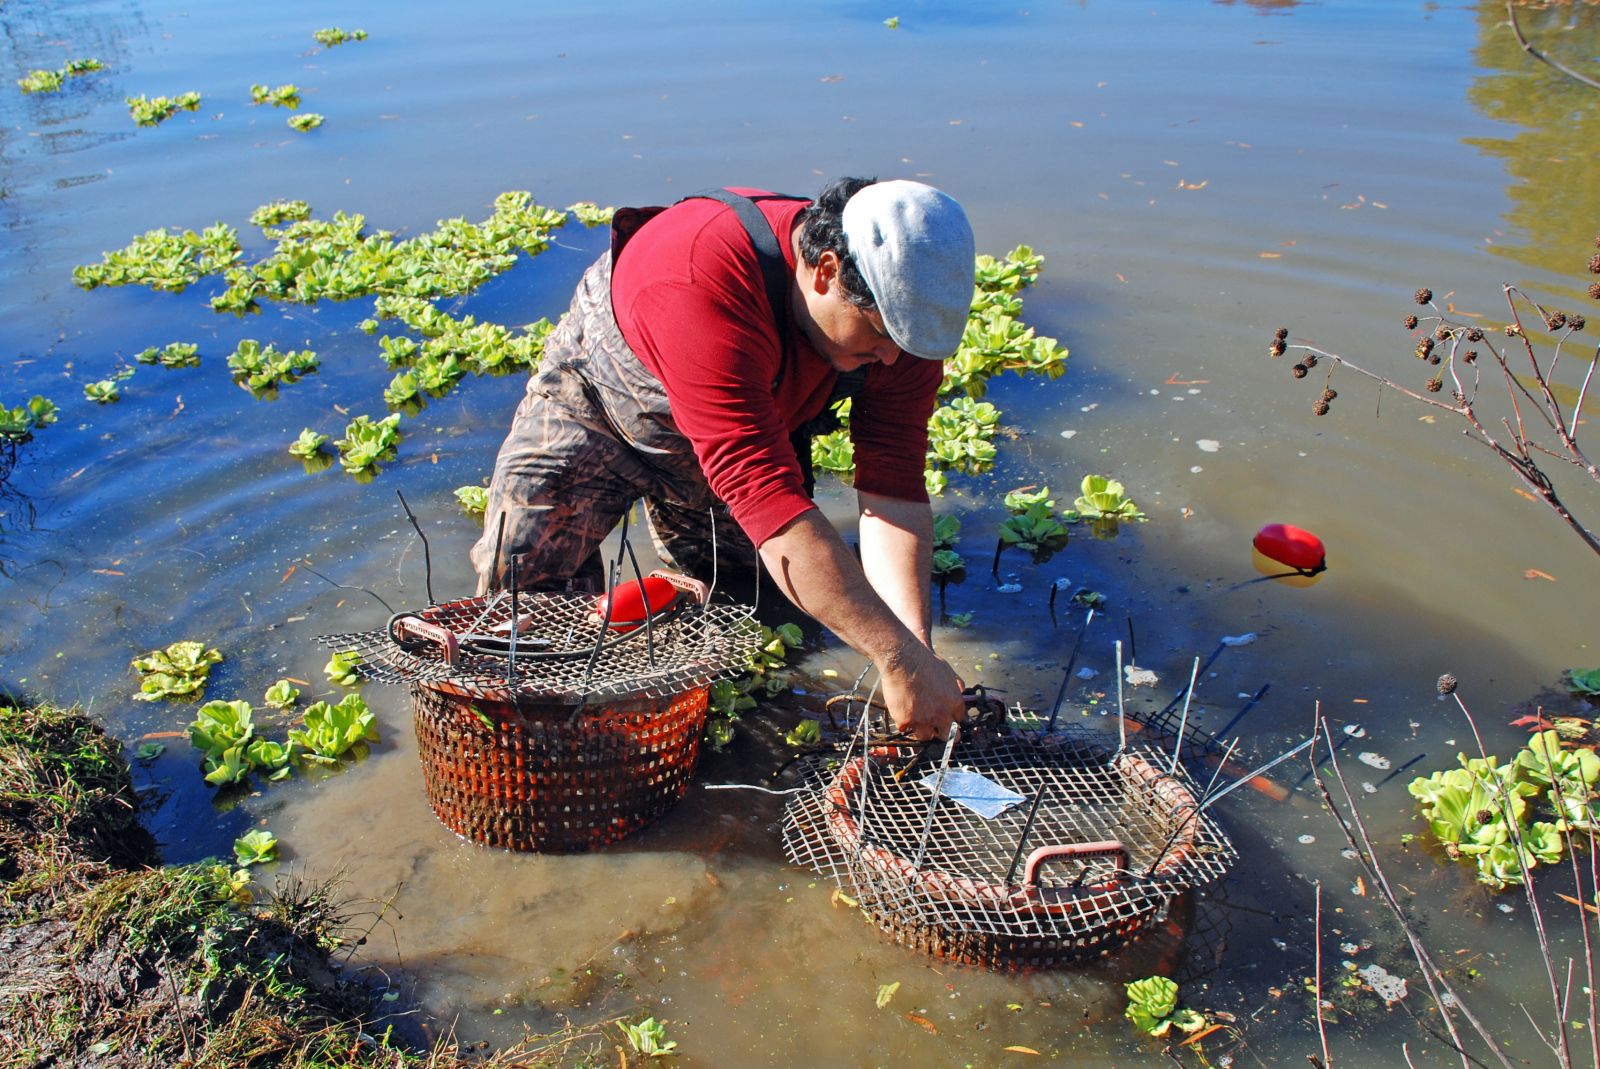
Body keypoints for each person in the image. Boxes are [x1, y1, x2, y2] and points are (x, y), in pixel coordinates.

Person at [471, 177, 972, 740]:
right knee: (520, 596)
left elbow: (893, 488)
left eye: (904, 345)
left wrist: (914, 652)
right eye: (880, 335)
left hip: (751, 418)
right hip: (602, 400)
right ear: (826, 272)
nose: (890, 358)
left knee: (755, 610)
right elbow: (769, 497)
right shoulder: (700, 279)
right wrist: (894, 657)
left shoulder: (901, 327)